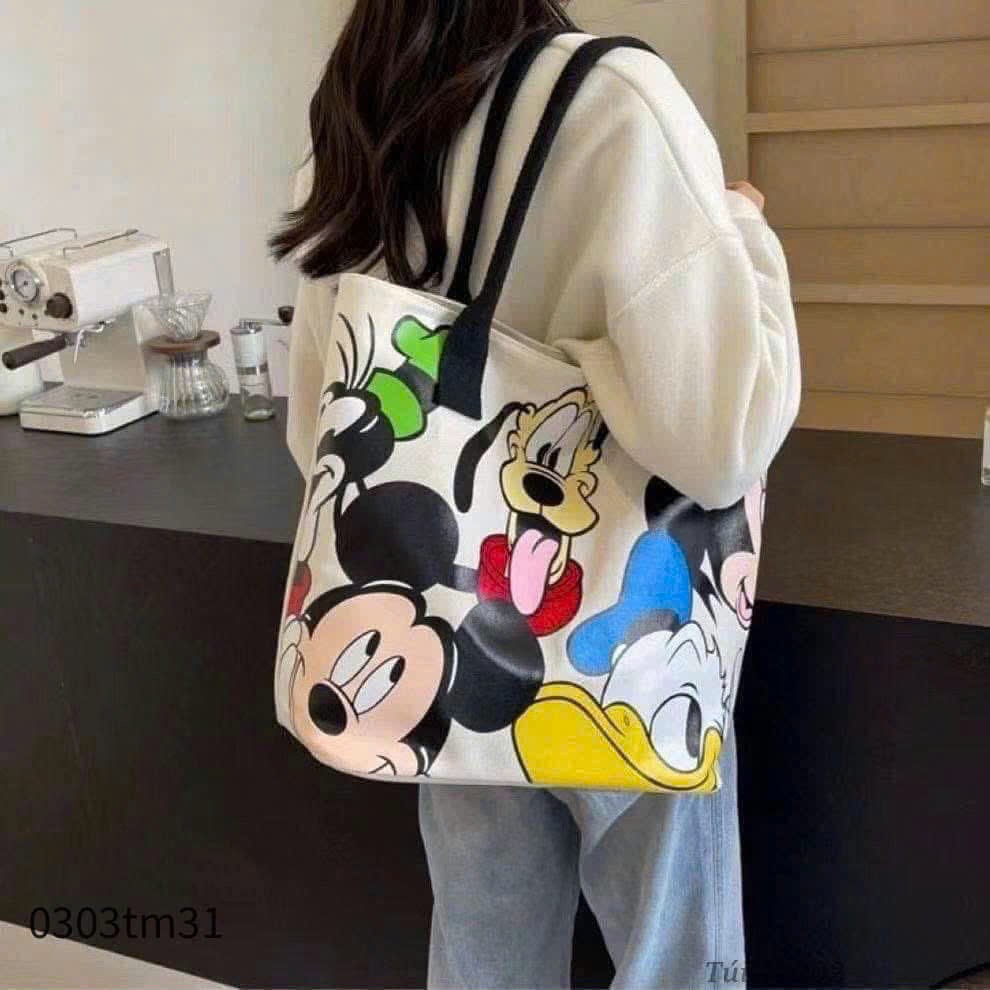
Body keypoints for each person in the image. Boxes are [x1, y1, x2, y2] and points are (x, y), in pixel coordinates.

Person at [273, 2, 801, 988]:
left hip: (449, 643)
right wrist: (742, 228)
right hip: (628, 650)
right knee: (677, 966)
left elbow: (321, 432)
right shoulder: (617, 101)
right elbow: (722, 441)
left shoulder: (360, 114)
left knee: (486, 962)